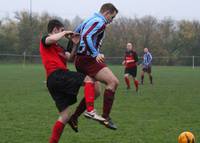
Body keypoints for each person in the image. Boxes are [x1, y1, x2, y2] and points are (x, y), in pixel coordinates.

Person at [39, 19, 102, 143]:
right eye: (61, 30)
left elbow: (70, 58)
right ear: (55, 30)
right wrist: (65, 32)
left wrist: (74, 44)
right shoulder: (46, 40)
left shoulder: (59, 47)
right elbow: (51, 39)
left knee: (65, 116)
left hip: (55, 82)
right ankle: (90, 111)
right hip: (57, 75)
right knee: (89, 79)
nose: (64, 33)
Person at [69, 3, 119, 131]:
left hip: (81, 59)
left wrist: (74, 51)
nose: (111, 21)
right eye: (112, 17)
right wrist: (95, 53)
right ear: (107, 13)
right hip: (88, 59)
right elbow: (86, 36)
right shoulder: (100, 22)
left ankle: (74, 117)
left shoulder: (89, 19)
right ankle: (106, 117)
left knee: (95, 92)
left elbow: (75, 33)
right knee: (113, 82)